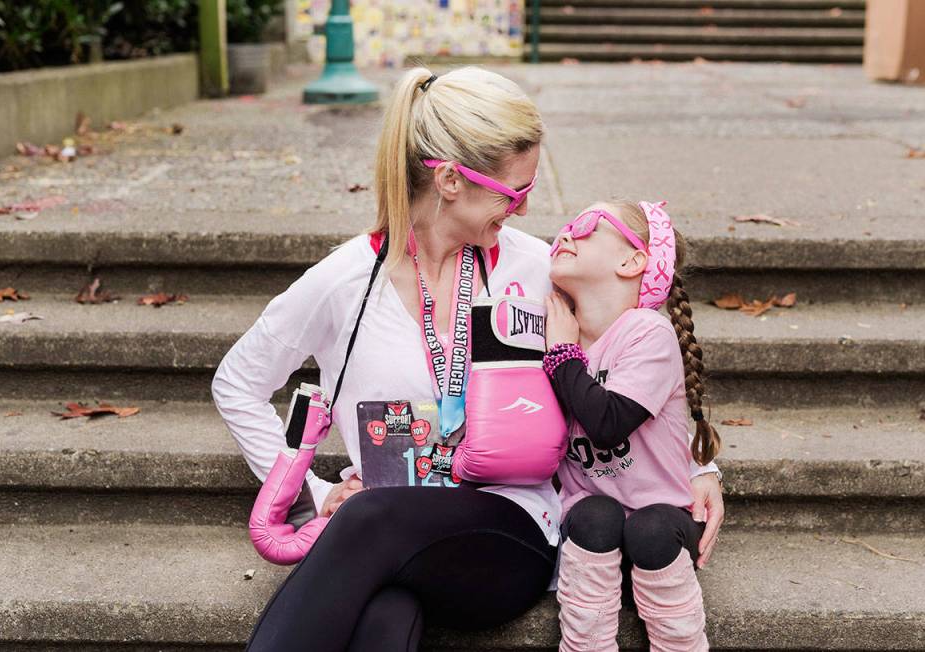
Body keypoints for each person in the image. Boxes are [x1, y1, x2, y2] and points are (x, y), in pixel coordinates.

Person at [211, 66, 724, 651]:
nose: (527, 210)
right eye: (516, 192)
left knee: (368, 523)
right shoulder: (344, 282)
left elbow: (625, 367)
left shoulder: (538, 270)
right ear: (452, 180)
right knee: (383, 612)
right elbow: (237, 383)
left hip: (508, 530)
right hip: (388, 522)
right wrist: (323, 491)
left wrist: (699, 469)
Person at [544, 200, 720, 651]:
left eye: (586, 226)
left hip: (661, 537)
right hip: (592, 544)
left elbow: (608, 423)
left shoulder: (647, 333)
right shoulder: (552, 327)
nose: (565, 233)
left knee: (651, 526)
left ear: (632, 260)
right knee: (594, 513)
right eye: (566, 225)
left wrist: (563, 357)